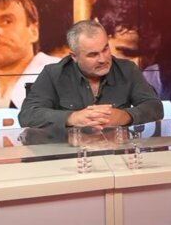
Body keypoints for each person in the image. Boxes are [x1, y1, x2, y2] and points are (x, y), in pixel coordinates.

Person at [18, 20, 163, 139]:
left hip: (115, 154)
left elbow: (155, 107)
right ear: (74, 56)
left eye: (105, 49)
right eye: (93, 55)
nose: (103, 59)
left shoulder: (127, 70)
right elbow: (27, 115)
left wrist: (125, 116)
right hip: (68, 156)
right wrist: (72, 118)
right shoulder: (53, 74)